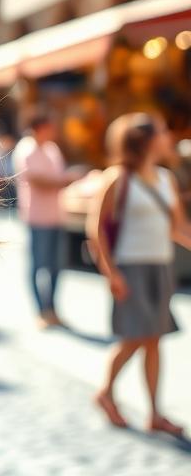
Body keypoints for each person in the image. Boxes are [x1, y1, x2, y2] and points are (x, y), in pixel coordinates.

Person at [91, 114, 191, 435]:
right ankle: (106, 392)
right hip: (130, 269)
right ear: (145, 140)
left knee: (153, 341)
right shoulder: (117, 179)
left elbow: (177, 227)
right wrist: (111, 273)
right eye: (161, 132)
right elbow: (97, 230)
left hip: (161, 268)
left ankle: (155, 413)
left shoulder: (166, 178)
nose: (167, 137)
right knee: (135, 338)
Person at [12, 113, 81, 327]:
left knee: (56, 266)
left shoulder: (52, 149)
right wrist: (66, 180)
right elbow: (38, 180)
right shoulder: (26, 149)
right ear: (40, 128)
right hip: (37, 217)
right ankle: (41, 311)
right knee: (38, 265)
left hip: (56, 215)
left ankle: (51, 309)